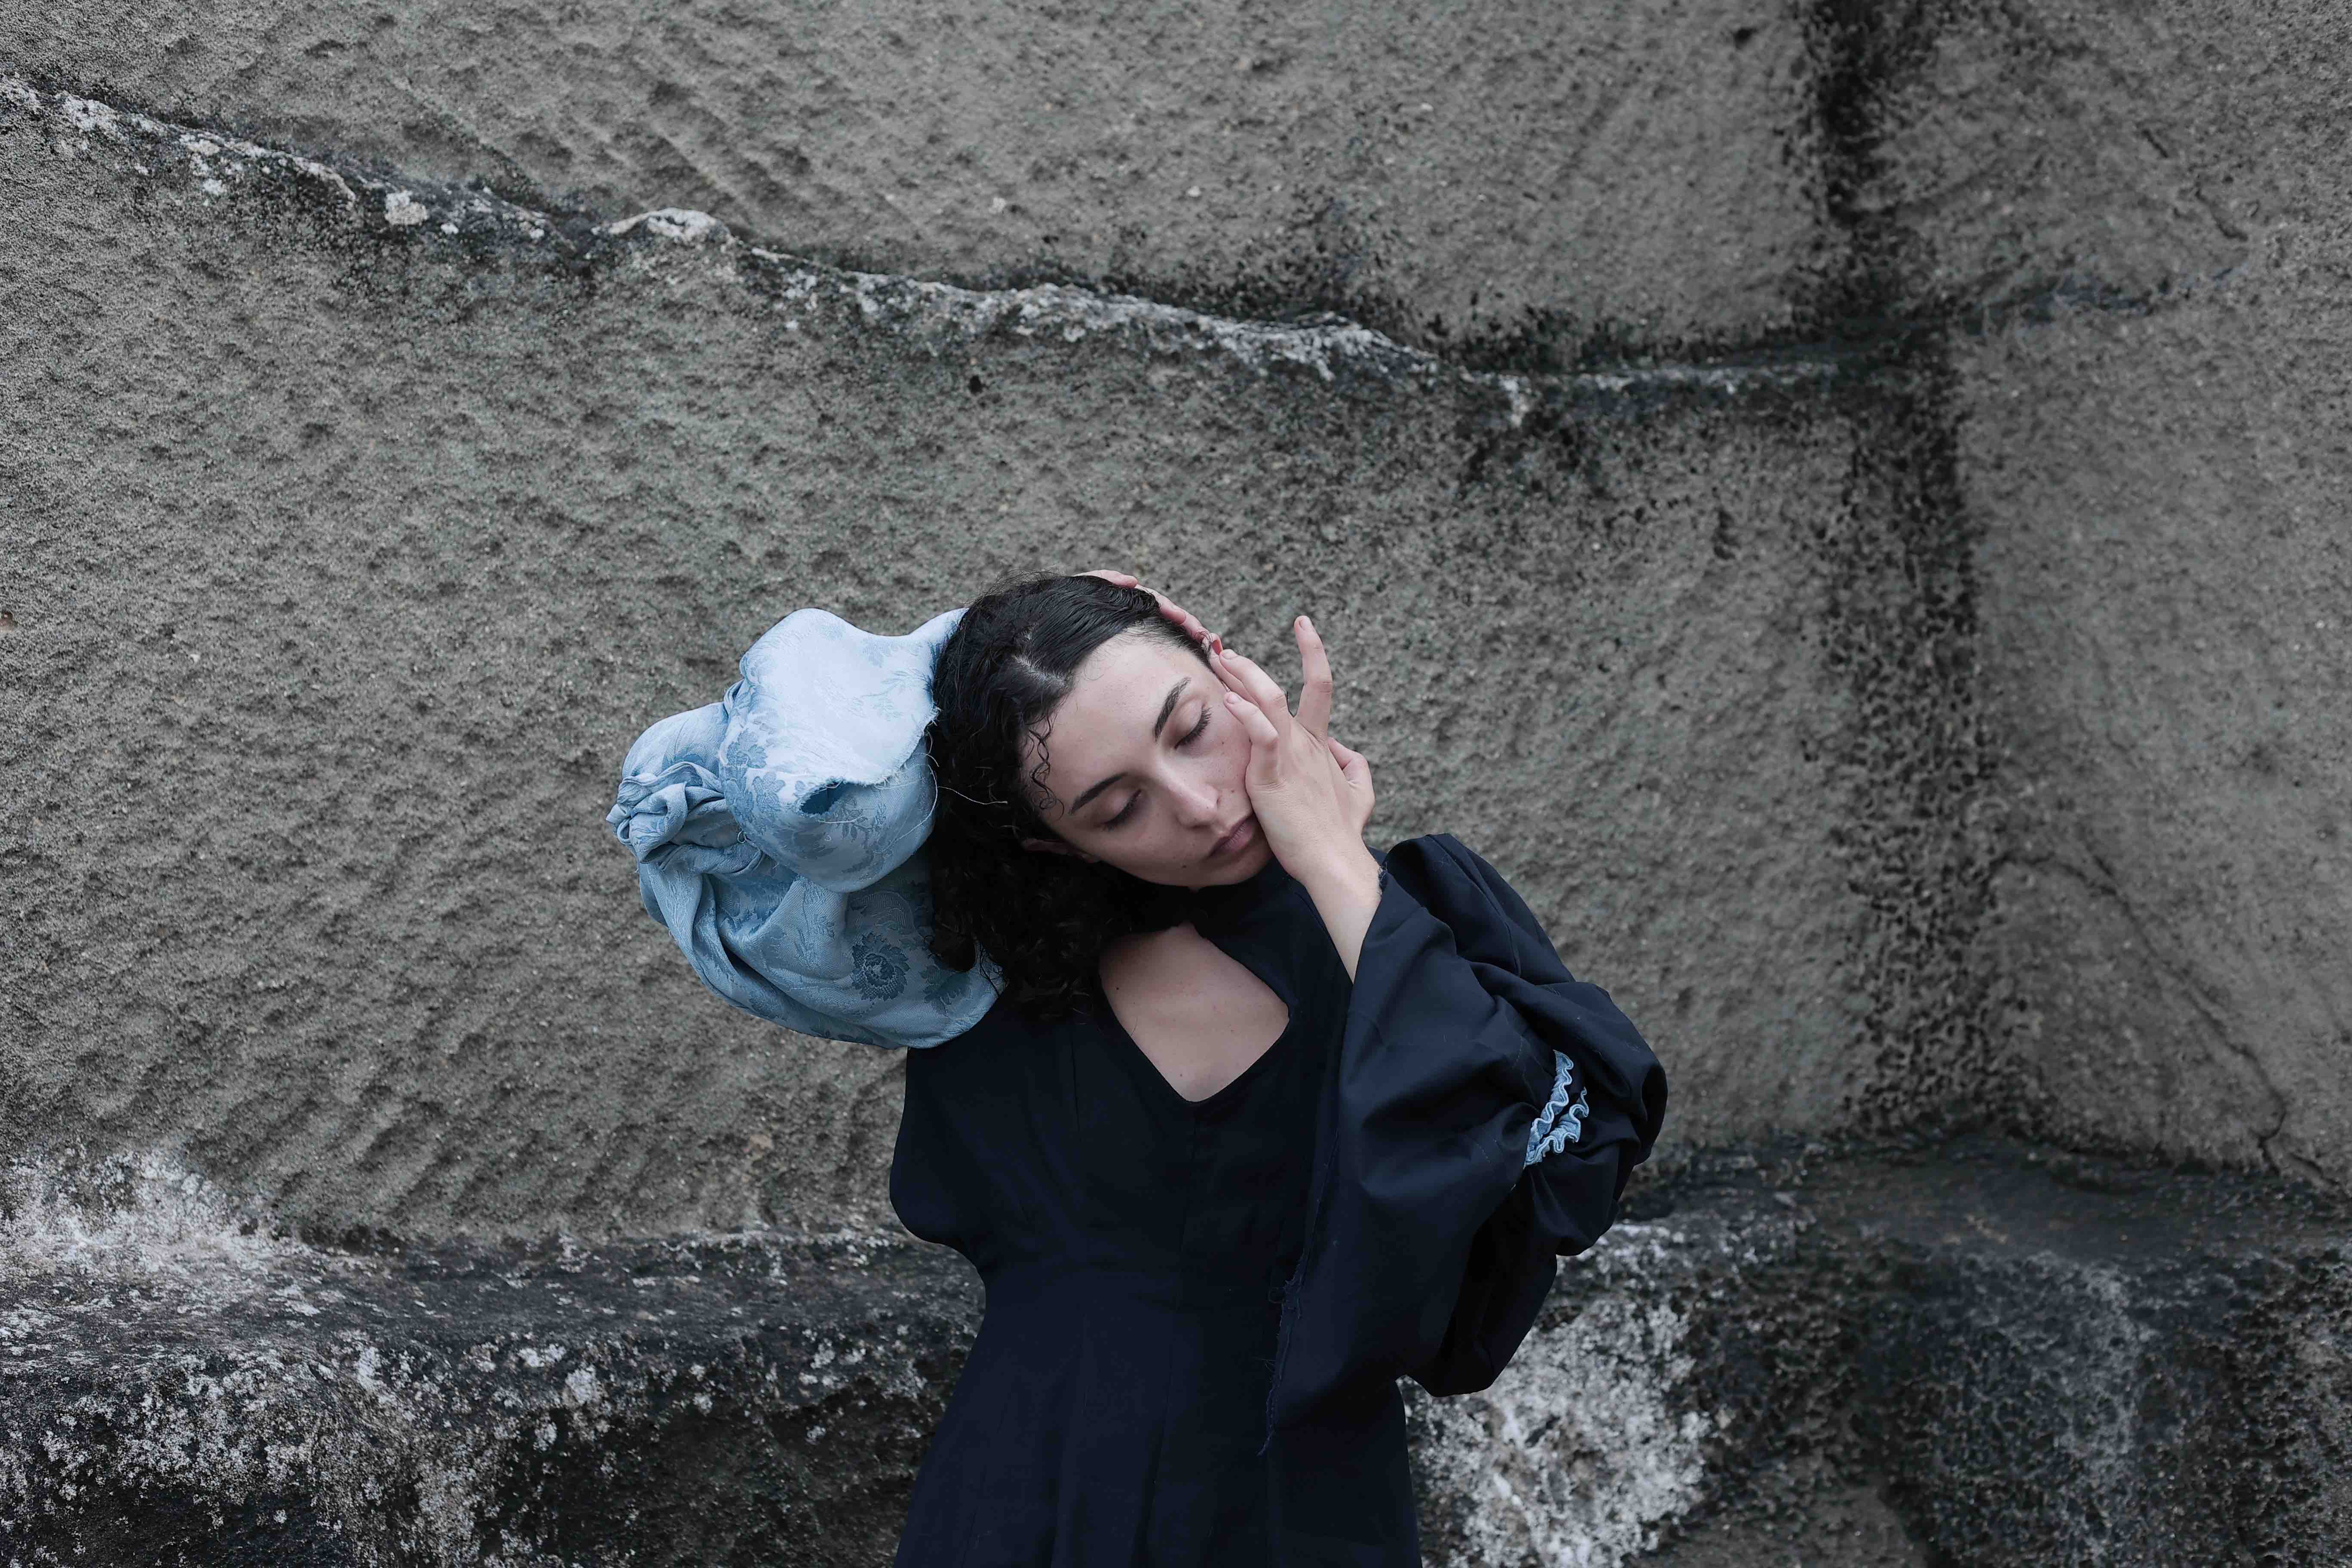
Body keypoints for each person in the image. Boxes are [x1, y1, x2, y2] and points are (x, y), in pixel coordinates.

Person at [888, 571, 1668, 1566]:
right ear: (1058, 844)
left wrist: (1336, 859)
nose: (1200, 804)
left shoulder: (1409, 928)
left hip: (1302, 1508)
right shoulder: (988, 978)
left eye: (1191, 729)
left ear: (1229, 669)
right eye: (1119, 808)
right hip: (1036, 1503)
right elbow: (773, 774)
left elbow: (1535, 1155)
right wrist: (973, 645)